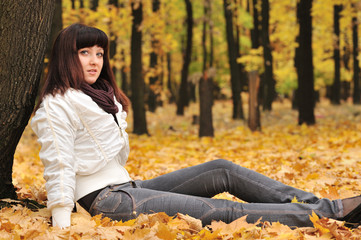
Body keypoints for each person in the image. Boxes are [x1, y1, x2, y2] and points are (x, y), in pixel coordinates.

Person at [31, 23, 361, 229]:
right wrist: (62, 222)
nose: (94, 61)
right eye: (84, 52)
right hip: (104, 201)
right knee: (223, 212)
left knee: (222, 169)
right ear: (65, 57)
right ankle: (332, 212)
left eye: (99, 53)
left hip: (127, 188)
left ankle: (315, 205)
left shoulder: (101, 95)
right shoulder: (57, 104)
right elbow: (58, 164)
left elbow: (113, 155)